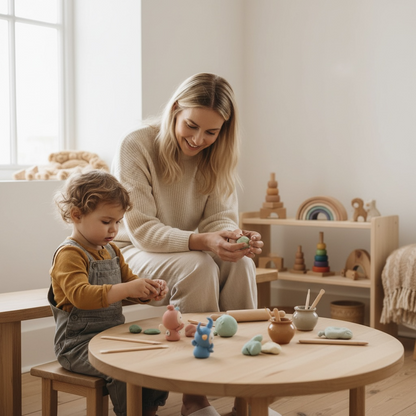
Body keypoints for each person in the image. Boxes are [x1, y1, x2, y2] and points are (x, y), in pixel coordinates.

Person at [112, 73, 265, 416]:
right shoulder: (136, 144)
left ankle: (247, 395)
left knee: (241, 264)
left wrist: (233, 239)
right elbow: (140, 229)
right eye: (192, 126)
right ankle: (194, 397)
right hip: (131, 251)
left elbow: (219, 218)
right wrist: (202, 241)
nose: (198, 139)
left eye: (211, 132)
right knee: (198, 266)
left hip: (181, 248)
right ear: (176, 109)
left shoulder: (219, 154)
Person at [49, 170, 169, 416]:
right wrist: (128, 288)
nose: (114, 229)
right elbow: (81, 296)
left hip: (110, 336)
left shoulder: (111, 250)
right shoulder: (69, 254)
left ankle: (148, 410)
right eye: (106, 222)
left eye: (118, 221)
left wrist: (146, 290)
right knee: (122, 368)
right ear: (77, 215)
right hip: (77, 346)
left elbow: (129, 284)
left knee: (156, 354)